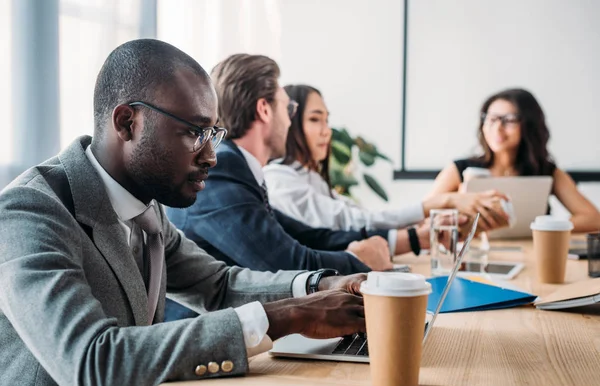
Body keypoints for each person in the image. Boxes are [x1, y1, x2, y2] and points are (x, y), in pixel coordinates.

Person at [0, 39, 369, 386]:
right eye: (194, 132)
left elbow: (219, 286)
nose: (211, 156)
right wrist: (285, 317)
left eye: (212, 133)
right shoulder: (29, 212)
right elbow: (95, 363)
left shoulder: (146, 205)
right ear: (128, 122)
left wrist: (323, 287)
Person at [166, 54, 437, 281]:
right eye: (288, 109)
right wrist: (356, 260)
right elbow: (284, 263)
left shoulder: (239, 168)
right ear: (265, 110)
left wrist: (400, 241)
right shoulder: (221, 169)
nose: (290, 122)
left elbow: (307, 236)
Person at [263, 84, 510, 233]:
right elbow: (351, 222)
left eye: (327, 120)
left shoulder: (310, 178)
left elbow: (361, 217)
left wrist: (425, 226)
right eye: (315, 119)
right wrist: (440, 202)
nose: (327, 131)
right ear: (289, 122)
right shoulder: (280, 179)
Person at [428, 88, 600, 233]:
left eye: (509, 120)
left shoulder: (545, 171)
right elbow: (424, 216)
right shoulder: (459, 169)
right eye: (491, 119)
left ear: (529, 126)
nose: (497, 128)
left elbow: (593, 219)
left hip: (532, 256)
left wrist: (546, 228)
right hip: (476, 256)